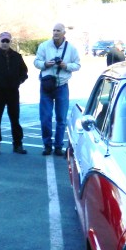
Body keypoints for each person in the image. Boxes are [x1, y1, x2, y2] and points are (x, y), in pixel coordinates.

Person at [34, 23, 82, 156]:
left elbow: (77, 65)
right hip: (46, 86)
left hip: (62, 86)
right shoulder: (44, 46)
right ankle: (47, 145)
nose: (55, 33)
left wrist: (66, 65)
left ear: (64, 33)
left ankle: (58, 146)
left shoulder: (71, 48)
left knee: (61, 118)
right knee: (45, 117)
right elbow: (36, 62)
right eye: (54, 30)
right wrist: (45, 64)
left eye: (58, 31)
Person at [0, 31, 29, 154]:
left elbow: (24, 72)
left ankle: (18, 144)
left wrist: (19, 81)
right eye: (2, 41)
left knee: (15, 119)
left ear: (10, 42)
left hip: (13, 92)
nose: (4, 43)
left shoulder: (17, 56)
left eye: (7, 41)